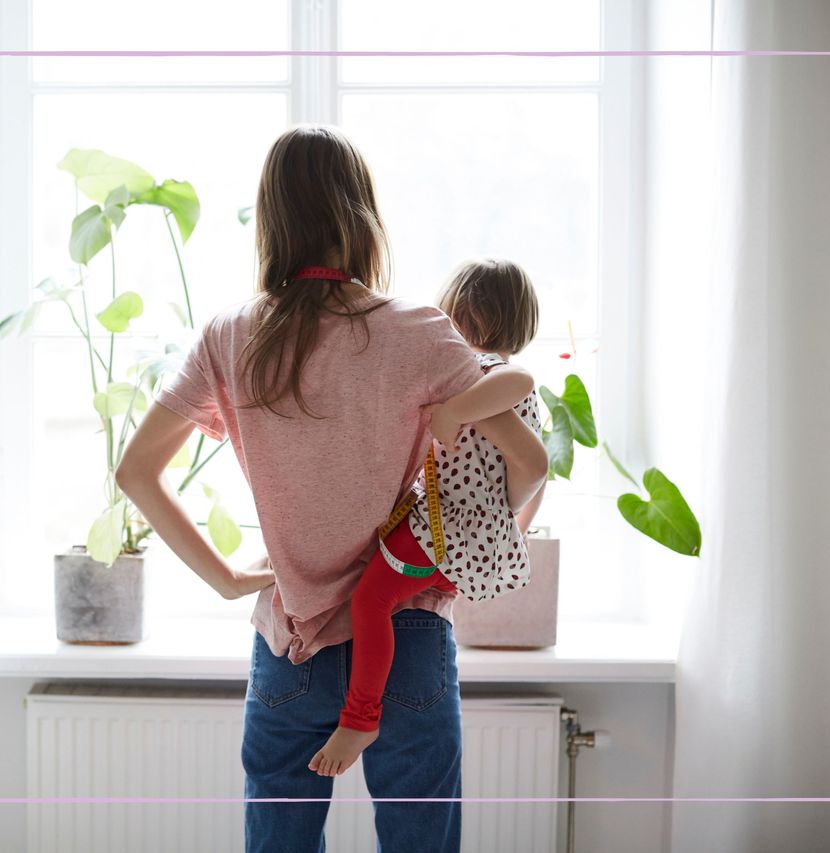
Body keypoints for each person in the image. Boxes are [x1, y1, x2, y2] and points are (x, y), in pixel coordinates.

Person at [115, 126, 546, 853]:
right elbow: (528, 460)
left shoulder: (229, 335)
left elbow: (135, 471)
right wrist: (483, 539)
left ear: (273, 221)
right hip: (409, 631)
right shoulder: (421, 330)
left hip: (291, 640)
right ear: (363, 217)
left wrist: (225, 579)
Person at [309, 258, 549, 777]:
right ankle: (363, 712)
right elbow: (531, 479)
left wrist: (454, 412)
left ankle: (360, 716)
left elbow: (520, 378)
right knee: (383, 594)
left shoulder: (481, 374)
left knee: (370, 600)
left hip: (442, 533)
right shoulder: (489, 387)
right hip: (459, 545)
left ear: (464, 319)